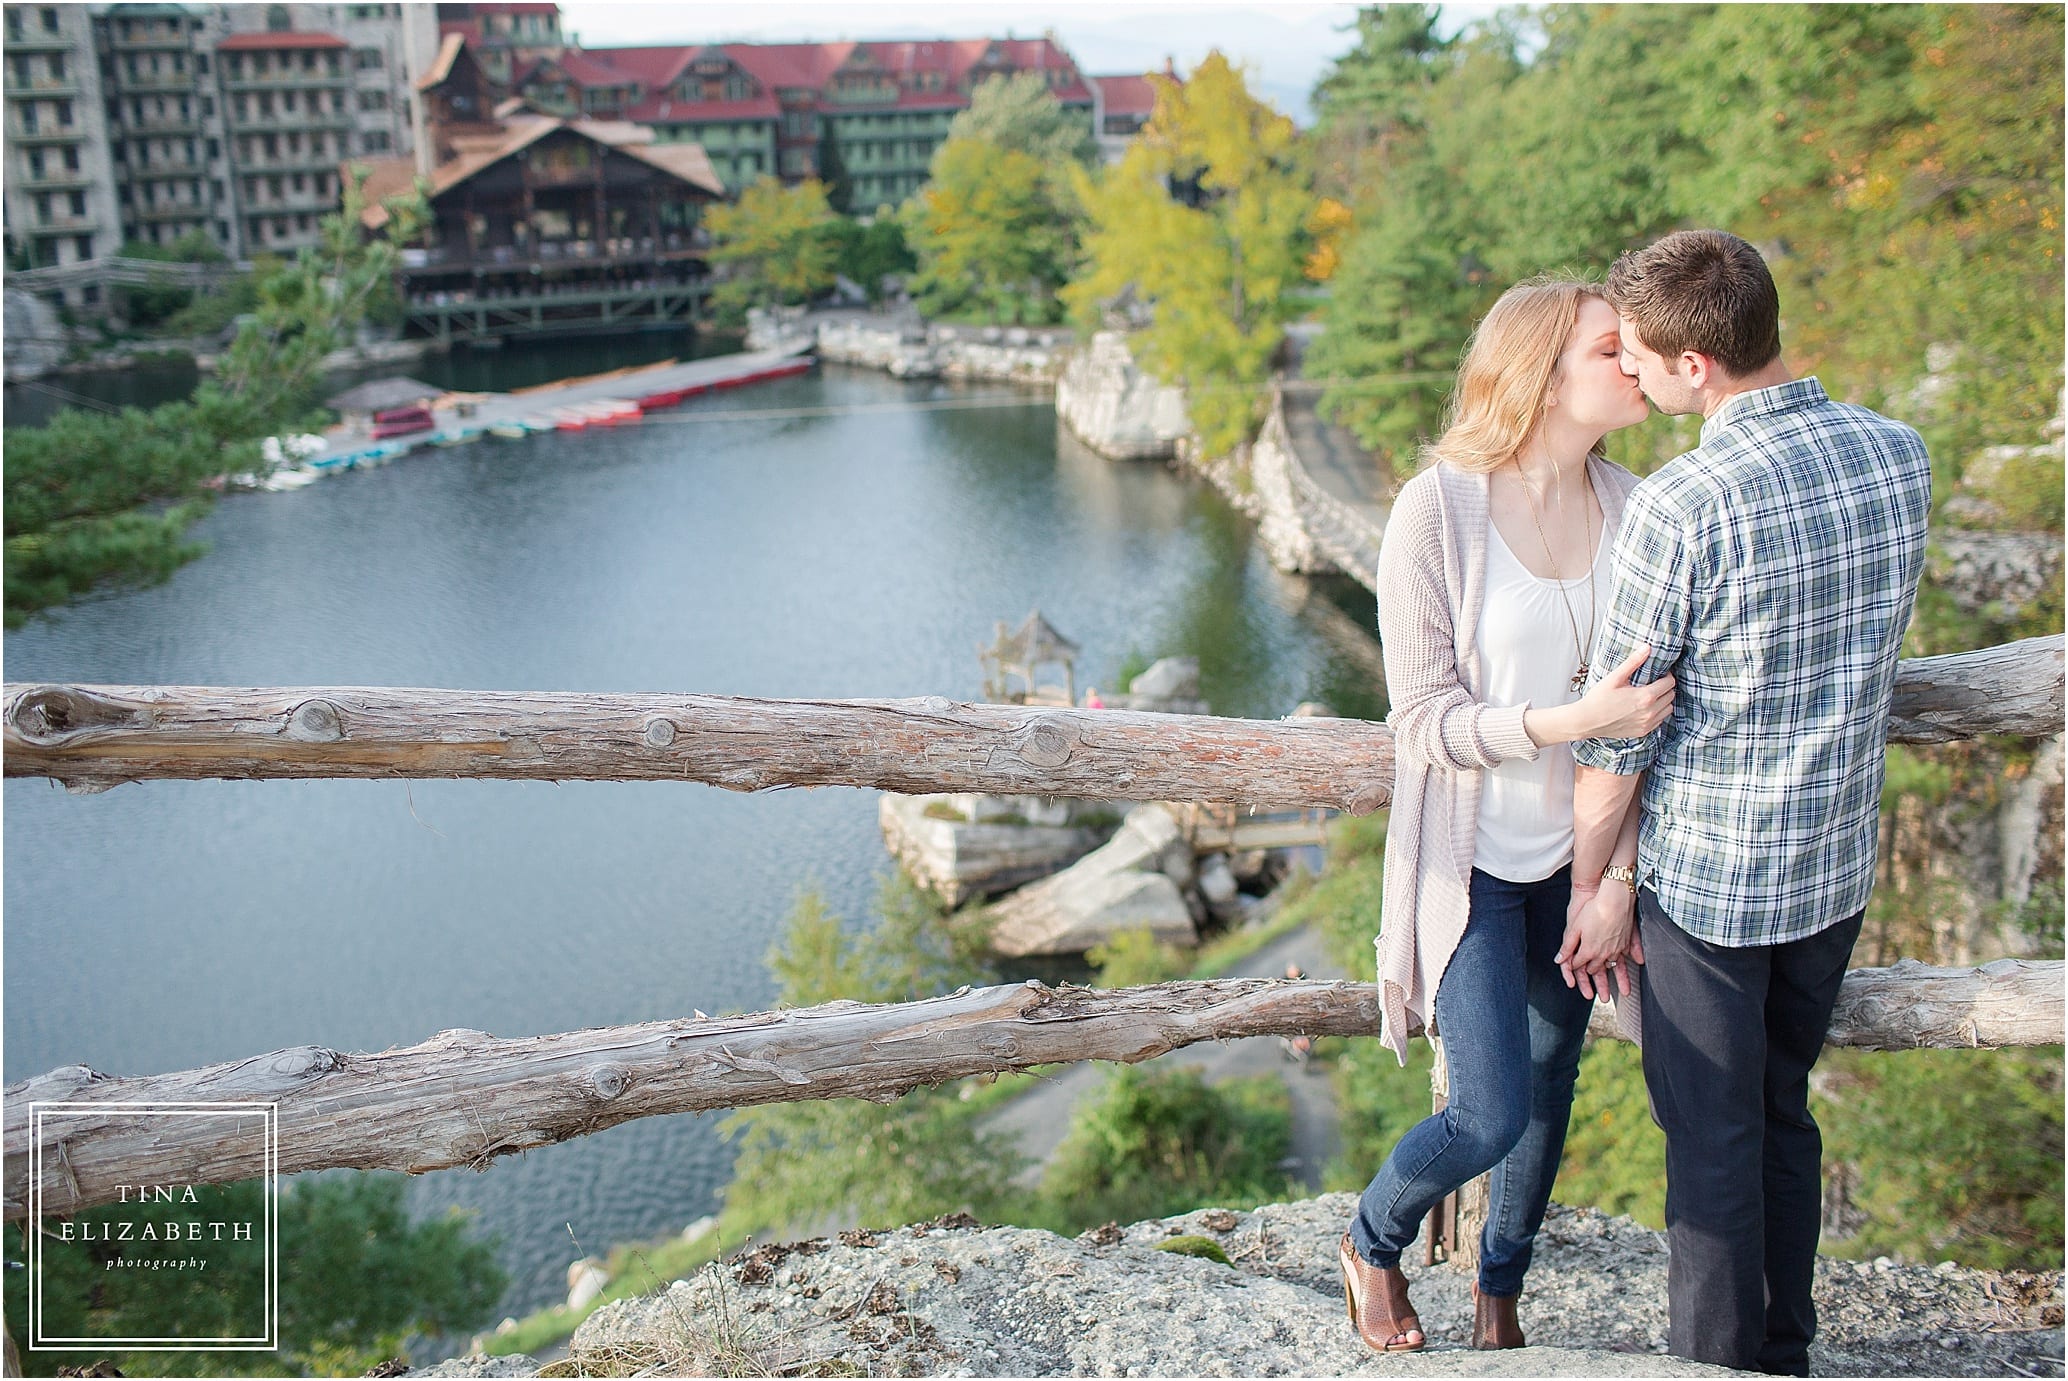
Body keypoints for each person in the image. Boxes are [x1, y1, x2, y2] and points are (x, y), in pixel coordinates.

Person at [1564, 229, 1932, 1375]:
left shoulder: (1680, 506)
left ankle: (1718, 1366)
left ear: (1693, 368)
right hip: (1832, 867)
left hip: (1715, 886)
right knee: (1782, 1110)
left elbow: (1622, 729)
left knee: (1710, 1146)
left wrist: (1595, 882)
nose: (1626, 374)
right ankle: (1783, 1347)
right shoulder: (1898, 453)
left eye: (1635, 356)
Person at [1339, 277, 1677, 1354]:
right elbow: (1425, 721)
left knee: (1548, 1086)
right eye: (1610, 350)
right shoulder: (1436, 509)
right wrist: (1565, 716)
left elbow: (1652, 726)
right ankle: (1370, 1239)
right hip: (1473, 863)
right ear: (1537, 372)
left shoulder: (1637, 507)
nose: (1636, 364)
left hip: (1578, 866)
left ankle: (1499, 1289)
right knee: (1487, 1110)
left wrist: (1610, 877)